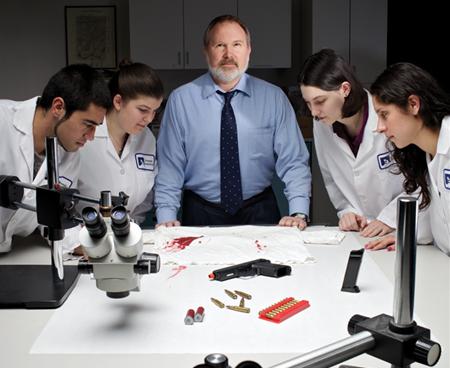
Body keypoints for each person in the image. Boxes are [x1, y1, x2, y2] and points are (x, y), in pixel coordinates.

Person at [154, 15, 311, 229]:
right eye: (220, 45)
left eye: (237, 45)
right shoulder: (180, 100)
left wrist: (299, 212)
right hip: (201, 212)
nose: (229, 54)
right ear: (206, 51)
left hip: (260, 211)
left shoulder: (273, 98)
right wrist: (165, 218)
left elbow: (294, 161)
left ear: (248, 50)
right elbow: (170, 167)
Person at [297, 49, 431, 242]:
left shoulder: (389, 118)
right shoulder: (322, 124)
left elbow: (422, 181)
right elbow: (331, 180)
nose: (313, 112)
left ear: (344, 89)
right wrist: (347, 211)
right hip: (362, 233)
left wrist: (389, 219)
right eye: (308, 103)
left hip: (403, 228)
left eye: (320, 101)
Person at [0, 64, 111, 257]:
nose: (91, 136)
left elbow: (56, 215)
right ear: (58, 107)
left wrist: (91, 247)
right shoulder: (3, 122)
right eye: (87, 124)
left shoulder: (70, 152)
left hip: (12, 255)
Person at [366, 62, 450, 256]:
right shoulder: (426, 156)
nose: (379, 127)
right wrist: (410, 235)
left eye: (384, 115)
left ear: (413, 105)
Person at [77, 59, 164, 224]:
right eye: (143, 110)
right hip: (82, 238)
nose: (149, 119)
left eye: (154, 111)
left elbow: (145, 198)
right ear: (118, 102)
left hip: (125, 234)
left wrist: (131, 226)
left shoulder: (147, 139)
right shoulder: (85, 136)